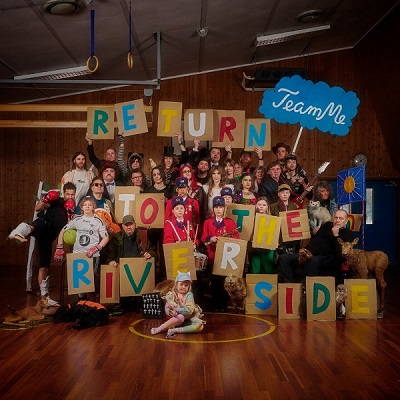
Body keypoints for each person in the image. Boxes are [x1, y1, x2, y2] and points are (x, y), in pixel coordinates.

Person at [8, 183, 77, 306]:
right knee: (37, 225)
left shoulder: (74, 208)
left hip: (48, 238)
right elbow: (37, 208)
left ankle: (45, 297)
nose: (70, 197)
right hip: (45, 224)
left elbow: (68, 227)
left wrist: (71, 215)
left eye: (72, 194)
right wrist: (46, 198)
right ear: (64, 193)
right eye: (68, 194)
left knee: (44, 266)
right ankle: (17, 232)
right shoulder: (57, 201)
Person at [54, 196, 109, 300]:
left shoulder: (98, 221)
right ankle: (81, 302)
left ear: (93, 207)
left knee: (91, 278)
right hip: (78, 254)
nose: (87, 207)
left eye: (90, 205)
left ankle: (92, 303)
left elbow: (106, 237)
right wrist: (59, 247)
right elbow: (63, 230)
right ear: (81, 207)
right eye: (85, 205)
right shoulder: (77, 220)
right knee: (79, 280)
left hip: (92, 254)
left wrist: (97, 247)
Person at [279, 209, 353, 283]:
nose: (337, 220)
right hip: (309, 253)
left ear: (346, 221)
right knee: (284, 257)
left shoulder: (347, 233)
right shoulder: (327, 225)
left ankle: (305, 285)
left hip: (327, 259)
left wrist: (335, 235)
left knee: (313, 261)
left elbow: (340, 254)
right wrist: (312, 233)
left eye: (341, 218)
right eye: (336, 217)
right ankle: (289, 284)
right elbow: (315, 239)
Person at [102, 214, 154, 312]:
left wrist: (149, 254)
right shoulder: (117, 238)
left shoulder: (142, 236)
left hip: (139, 270)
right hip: (123, 271)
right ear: (122, 226)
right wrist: (111, 262)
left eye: (131, 224)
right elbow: (109, 255)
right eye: (126, 225)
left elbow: (153, 252)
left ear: (135, 225)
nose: (128, 227)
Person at [201, 196, 240, 311]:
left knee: (224, 282)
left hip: (226, 257)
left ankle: (223, 305)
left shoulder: (230, 222)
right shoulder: (208, 222)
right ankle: (214, 304)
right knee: (214, 281)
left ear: (224, 209)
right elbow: (203, 236)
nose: (218, 210)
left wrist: (226, 240)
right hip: (212, 256)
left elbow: (236, 237)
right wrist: (210, 238)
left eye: (221, 207)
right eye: (216, 207)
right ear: (213, 209)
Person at [150, 271, 204, 338]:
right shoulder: (172, 294)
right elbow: (167, 306)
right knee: (181, 317)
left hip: (187, 319)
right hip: (176, 319)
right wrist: (170, 311)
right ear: (176, 285)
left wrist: (176, 309)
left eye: (186, 285)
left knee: (200, 326)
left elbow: (189, 310)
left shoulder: (189, 295)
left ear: (189, 286)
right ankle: (160, 328)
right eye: (181, 284)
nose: (183, 287)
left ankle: (175, 330)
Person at [249, 196, 276, 274]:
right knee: (255, 271)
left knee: (267, 270)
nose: (261, 206)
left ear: (267, 207)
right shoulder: (250, 219)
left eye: (264, 205)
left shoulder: (273, 219)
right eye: (259, 204)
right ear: (255, 206)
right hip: (255, 248)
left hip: (268, 248)